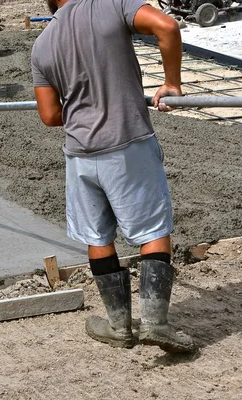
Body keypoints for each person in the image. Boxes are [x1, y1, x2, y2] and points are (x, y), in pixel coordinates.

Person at [31, 0, 197, 353]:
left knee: (97, 233)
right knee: (152, 229)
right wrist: (171, 82)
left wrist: (83, 112)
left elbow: (49, 115)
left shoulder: (43, 44)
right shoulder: (111, 5)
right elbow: (167, 27)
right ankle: (156, 324)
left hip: (79, 156)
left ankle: (118, 326)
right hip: (127, 145)